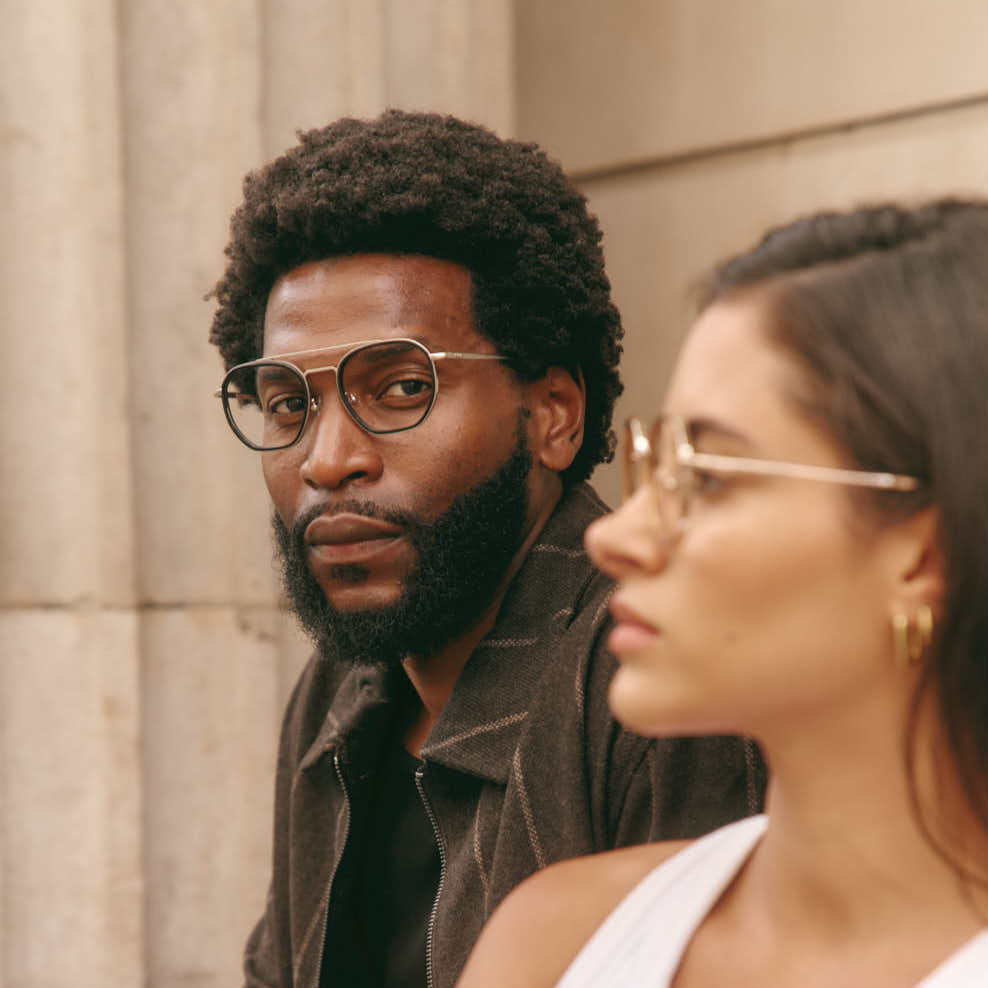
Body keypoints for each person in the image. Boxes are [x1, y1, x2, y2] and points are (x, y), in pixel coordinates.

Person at [208, 109, 763, 988]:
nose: (327, 459)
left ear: (553, 416)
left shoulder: (654, 682)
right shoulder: (340, 690)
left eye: (399, 389)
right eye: (287, 405)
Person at [456, 198, 988, 987]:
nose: (613, 536)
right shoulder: (560, 937)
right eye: (656, 465)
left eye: (706, 477)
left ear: (923, 556)